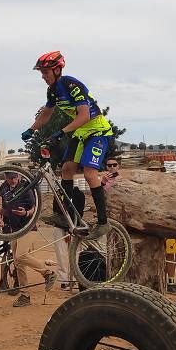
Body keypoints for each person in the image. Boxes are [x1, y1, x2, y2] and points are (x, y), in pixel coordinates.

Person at [22, 51, 113, 238]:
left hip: (97, 131)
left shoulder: (72, 85)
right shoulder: (52, 91)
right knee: (66, 169)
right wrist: (31, 129)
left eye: (45, 72)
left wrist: (60, 132)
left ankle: (103, 222)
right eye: (41, 73)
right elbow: (47, 113)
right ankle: (63, 214)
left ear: (57, 70)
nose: (43, 77)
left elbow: (84, 115)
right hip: (80, 133)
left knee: (89, 174)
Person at [0, 170, 55, 307]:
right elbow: (3, 209)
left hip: (28, 227)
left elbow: (34, 208)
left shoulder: (26, 187)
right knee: (18, 263)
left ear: (18, 176)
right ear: (5, 177)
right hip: (14, 230)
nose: (12, 180)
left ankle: (48, 273)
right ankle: (25, 296)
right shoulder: (4, 187)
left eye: (14, 177)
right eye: (9, 178)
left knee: (21, 255)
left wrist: (25, 213)